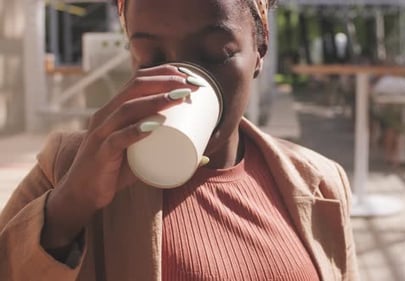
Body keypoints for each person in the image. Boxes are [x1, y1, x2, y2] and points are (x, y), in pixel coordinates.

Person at [0, 0, 358, 280]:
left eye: (214, 53)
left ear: (259, 51)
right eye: (151, 58)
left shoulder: (321, 183)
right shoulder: (66, 169)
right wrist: (71, 203)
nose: (179, 82)